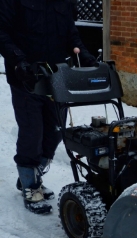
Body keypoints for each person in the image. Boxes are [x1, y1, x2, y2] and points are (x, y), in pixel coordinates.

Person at [0, 0, 96, 214]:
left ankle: (31, 176)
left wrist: (85, 56)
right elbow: (2, 31)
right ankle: (31, 186)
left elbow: (72, 33)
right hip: (26, 76)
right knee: (32, 131)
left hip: (56, 76)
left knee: (55, 132)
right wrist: (18, 60)